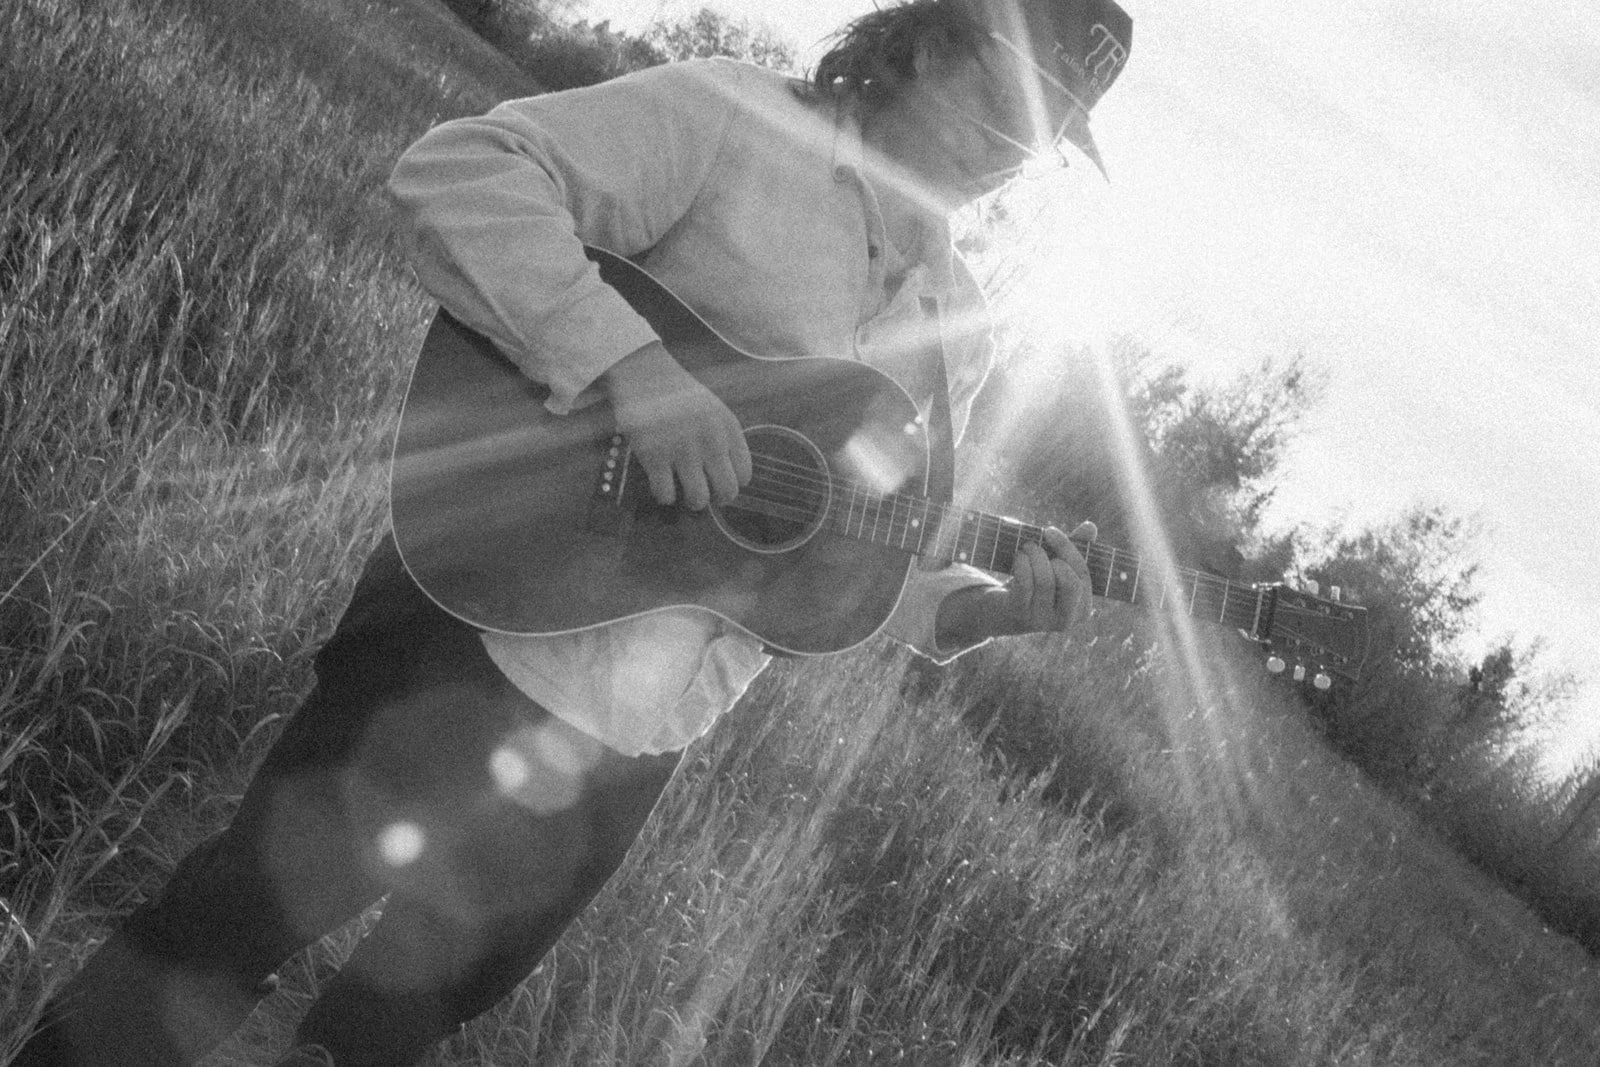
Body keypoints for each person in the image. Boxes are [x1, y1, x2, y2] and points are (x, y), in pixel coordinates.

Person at [16, 0, 1131, 1063]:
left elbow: (840, 547)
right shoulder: (734, 120)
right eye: (1005, 101)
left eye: (1042, 138)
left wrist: (978, 612)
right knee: (227, 929)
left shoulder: (955, 330)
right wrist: (635, 371)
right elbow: (461, 171)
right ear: (929, 44)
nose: (1010, 152)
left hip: (633, 740)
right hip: (481, 619)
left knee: (394, 1026)